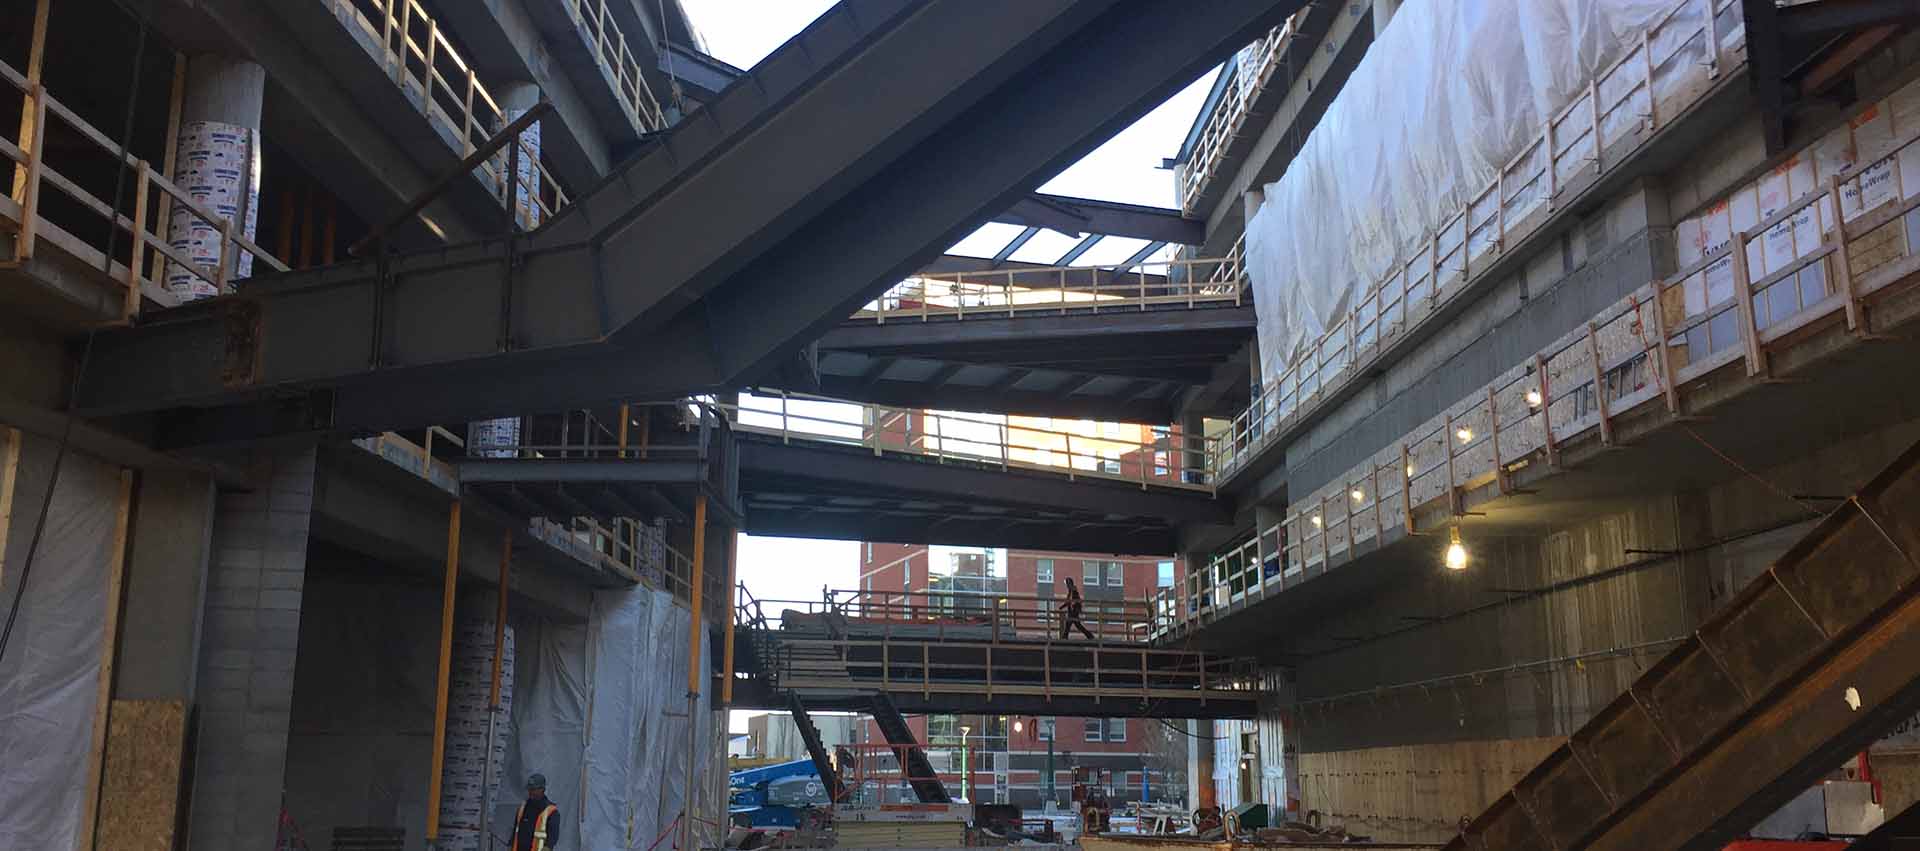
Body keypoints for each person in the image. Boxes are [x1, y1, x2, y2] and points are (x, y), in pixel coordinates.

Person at [511, 773, 562, 851]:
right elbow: (515, 831)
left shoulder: (551, 811)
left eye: (533, 789)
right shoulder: (523, 807)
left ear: (542, 789)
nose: (530, 792)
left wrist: (548, 847)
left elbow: (553, 836)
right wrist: (510, 844)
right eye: (529, 789)